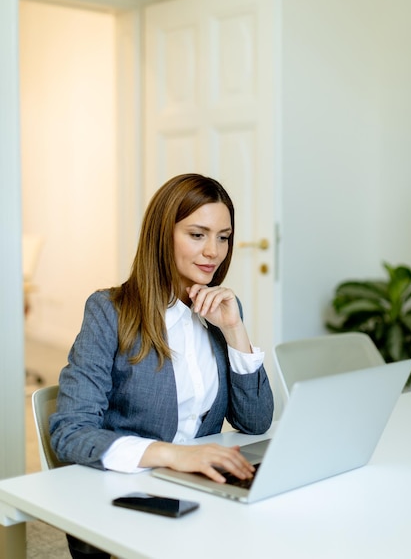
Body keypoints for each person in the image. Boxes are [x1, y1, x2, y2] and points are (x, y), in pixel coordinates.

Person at [50, 173, 274, 559]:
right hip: (126, 496)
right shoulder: (110, 311)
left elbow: (255, 422)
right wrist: (175, 455)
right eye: (197, 234)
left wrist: (236, 330)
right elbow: (70, 432)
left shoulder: (218, 313)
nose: (214, 252)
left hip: (196, 488)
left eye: (223, 237)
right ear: (162, 234)